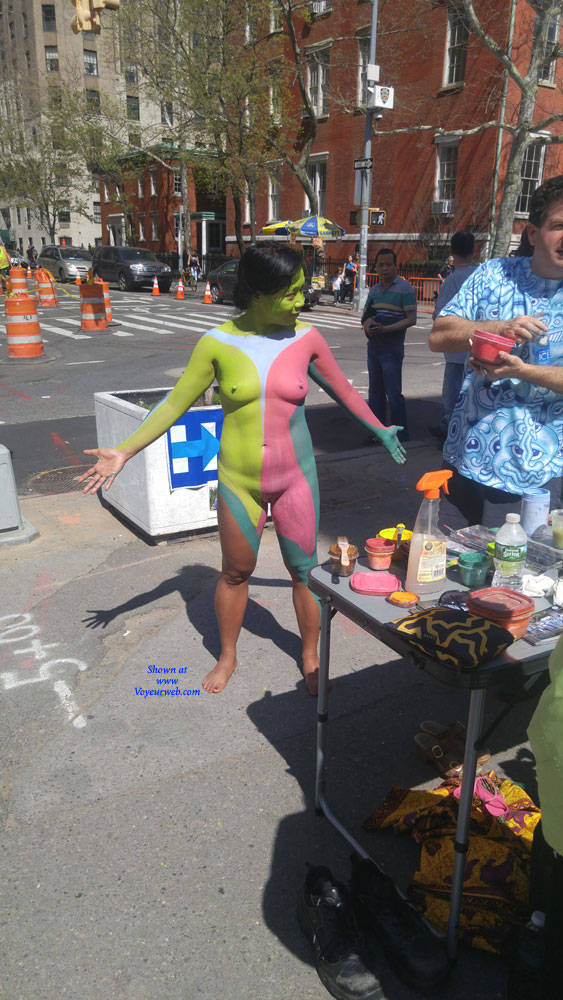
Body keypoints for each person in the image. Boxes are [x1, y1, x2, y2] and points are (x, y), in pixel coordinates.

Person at [78, 244, 406, 696]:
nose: (302, 300)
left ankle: (310, 654)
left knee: (303, 571)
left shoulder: (307, 338)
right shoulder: (217, 343)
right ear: (260, 293)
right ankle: (227, 654)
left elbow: (344, 391)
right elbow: (175, 403)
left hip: (296, 479)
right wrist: (125, 451)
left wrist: (379, 428)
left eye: (302, 290)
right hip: (238, 481)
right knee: (235, 571)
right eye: (292, 293)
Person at [429, 174, 563, 526]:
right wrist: (497, 329)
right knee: (451, 556)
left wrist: (522, 371)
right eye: (558, 226)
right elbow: (439, 336)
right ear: (532, 233)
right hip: (468, 458)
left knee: (523, 561)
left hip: (545, 475)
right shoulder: (493, 274)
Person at [361, 248, 417, 442]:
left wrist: (386, 329)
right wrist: (368, 324)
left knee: (393, 393)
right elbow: (366, 315)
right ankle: (378, 432)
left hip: (392, 349)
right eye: (381, 265)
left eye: (388, 265)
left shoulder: (405, 288)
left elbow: (411, 319)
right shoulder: (375, 290)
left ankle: (401, 433)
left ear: (395, 266)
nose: (384, 269)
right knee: (375, 392)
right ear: (376, 267)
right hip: (374, 347)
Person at [429, 230, 477, 442]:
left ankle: (449, 432)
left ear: (452, 251)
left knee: (452, 396)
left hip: (457, 349)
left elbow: (440, 316)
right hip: (478, 348)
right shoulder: (482, 275)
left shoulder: (452, 280)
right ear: (473, 250)